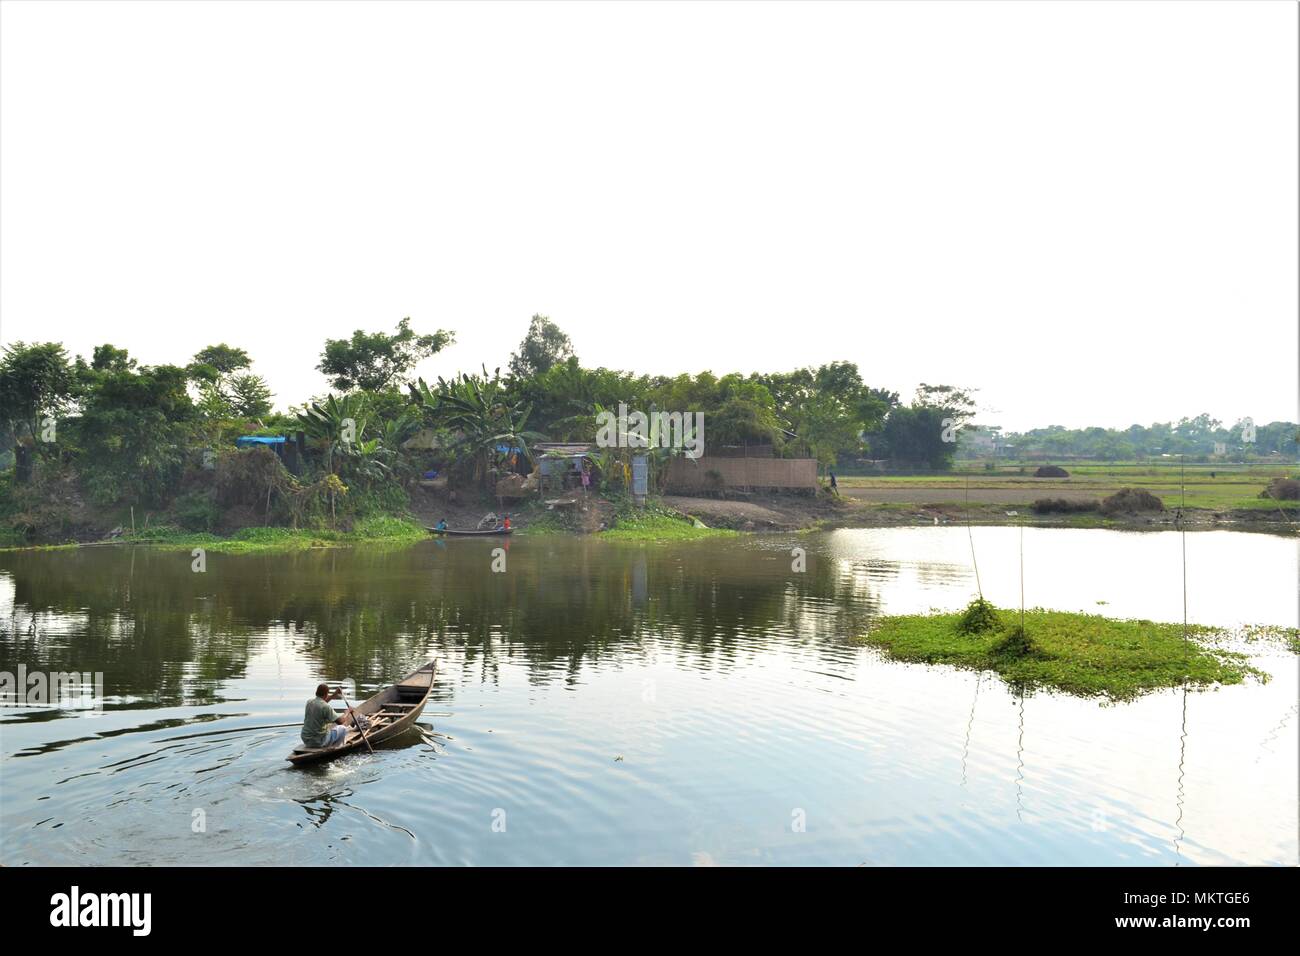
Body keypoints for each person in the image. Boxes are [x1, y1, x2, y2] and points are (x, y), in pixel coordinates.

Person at [301, 683, 356, 749]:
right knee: (343, 728)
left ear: (316, 692)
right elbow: (340, 721)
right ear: (326, 694)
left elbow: (322, 701)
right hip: (319, 741)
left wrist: (334, 694)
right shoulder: (326, 707)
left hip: (306, 739)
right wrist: (347, 712)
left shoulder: (309, 702)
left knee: (329, 727)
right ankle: (337, 747)